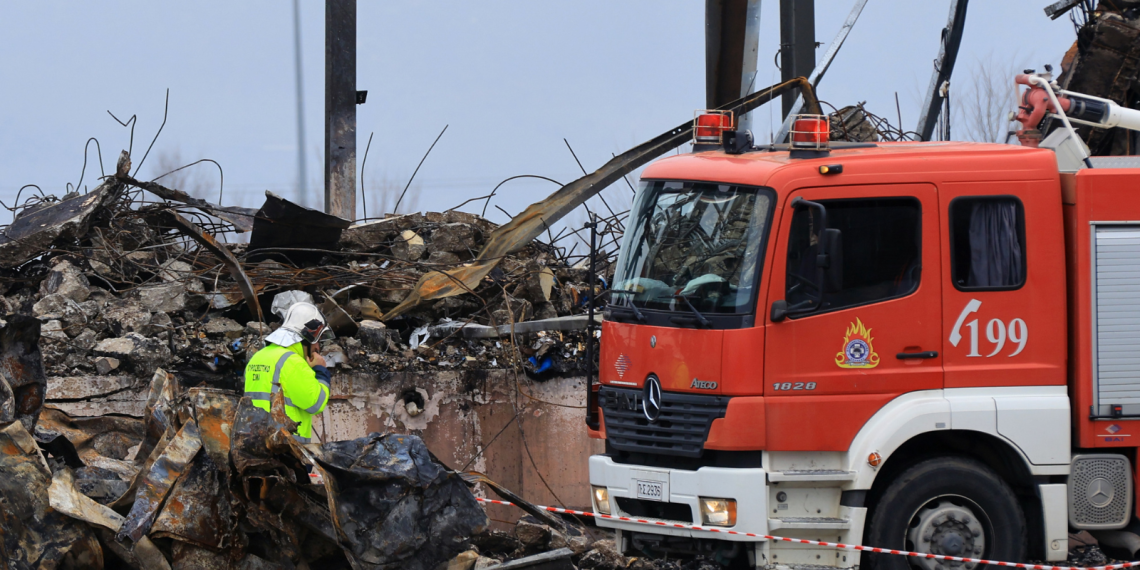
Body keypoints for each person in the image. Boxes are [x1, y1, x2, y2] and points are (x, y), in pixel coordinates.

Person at [243, 302, 330, 443]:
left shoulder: (258, 357)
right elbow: (316, 403)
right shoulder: (293, 362)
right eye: (318, 341)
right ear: (307, 339)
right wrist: (320, 371)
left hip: (255, 443)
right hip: (286, 447)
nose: (318, 347)